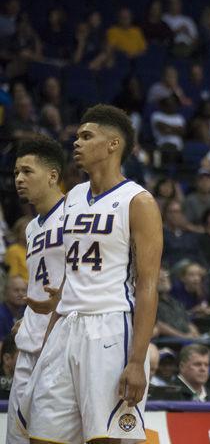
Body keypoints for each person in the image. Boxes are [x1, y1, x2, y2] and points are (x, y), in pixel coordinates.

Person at [20, 104, 163, 443]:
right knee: (43, 436)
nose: (77, 143)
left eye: (87, 136)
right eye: (77, 136)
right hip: (66, 326)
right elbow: (69, 274)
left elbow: (148, 284)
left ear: (113, 144)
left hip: (110, 328)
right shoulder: (72, 198)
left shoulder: (138, 202)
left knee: (106, 439)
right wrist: (47, 336)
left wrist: (138, 359)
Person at [6, 136, 66, 444]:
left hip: (60, 343)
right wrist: (29, 315)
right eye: (16, 172)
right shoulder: (30, 227)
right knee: (17, 438)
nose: (19, 179)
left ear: (53, 175)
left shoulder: (75, 215)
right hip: (30, 339)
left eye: (27, 171)